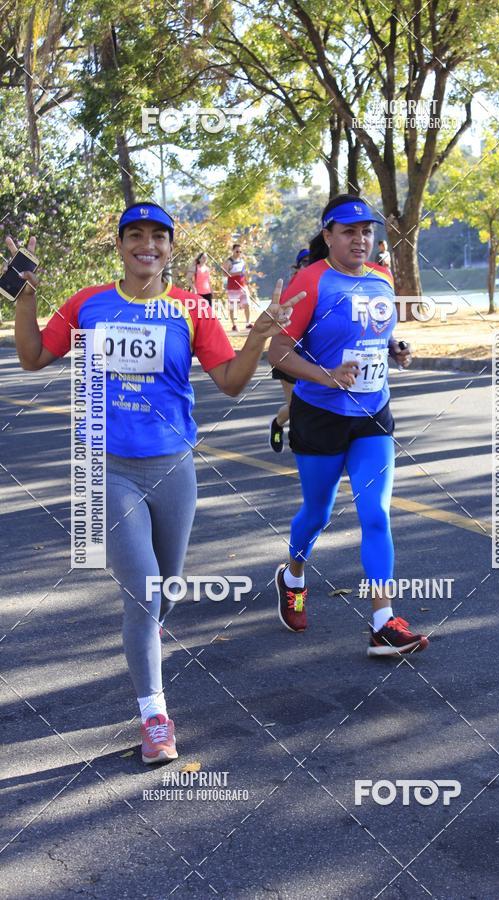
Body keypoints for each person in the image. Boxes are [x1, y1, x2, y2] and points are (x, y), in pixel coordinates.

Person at [9, 202, 302, 764]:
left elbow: (231, 383)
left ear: (170, 248)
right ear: (120, 246)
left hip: (174, 468)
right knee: (144, 594)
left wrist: (261, 335)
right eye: (135, 235)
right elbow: (30, 358)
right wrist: (26, 297)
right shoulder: (88, 304)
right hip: (107, 468)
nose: (147, 244)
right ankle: (155, 716)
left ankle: (143, 641)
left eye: (158, 236)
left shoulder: (191, 308)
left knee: (164, 589)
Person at [268, 194, 429, 656]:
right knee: (316, 514)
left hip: (373, 415)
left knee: (375, 513)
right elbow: (278, 353)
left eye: (366, 231)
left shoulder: (381, 279)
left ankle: (383, 621)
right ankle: (293, 574)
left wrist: (396, 348)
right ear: (328, 235)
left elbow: (374, 337)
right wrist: (327, 376)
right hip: (319, 415)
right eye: (348, 231)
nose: (360, 239)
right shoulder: (311, 281)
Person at [269, 249, 310, 453]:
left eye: (313, 261)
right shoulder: (292, 289)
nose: (309, 265)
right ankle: (278, 424)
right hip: (289, 354)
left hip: (314, 357)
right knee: (297, 407)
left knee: (314, 405)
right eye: (304, 262)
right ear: (298, 266)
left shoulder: (325, 285)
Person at [223, 243, 251, 331]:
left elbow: (244, 272)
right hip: (233, 288)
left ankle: (248, 323)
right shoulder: (229, 261)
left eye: (240, 251)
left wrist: (247, 281)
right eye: (237, 251)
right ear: (233, 251)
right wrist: (236, 274)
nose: (239, 253)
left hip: (243, 286)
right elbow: (224, 274)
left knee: (247, 304)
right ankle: (234, 325)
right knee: (233, 307)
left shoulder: (242, 260)